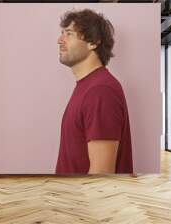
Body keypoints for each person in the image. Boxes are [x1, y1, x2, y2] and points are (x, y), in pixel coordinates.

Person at [55, 9, 133, 174]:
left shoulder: (101, 91)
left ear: (94, 42)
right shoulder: (88, 86)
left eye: (69, 34)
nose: (59, 40)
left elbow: (101, 174)